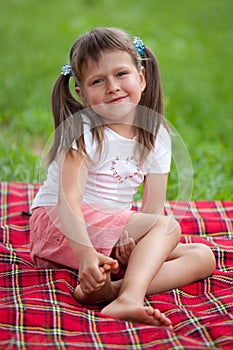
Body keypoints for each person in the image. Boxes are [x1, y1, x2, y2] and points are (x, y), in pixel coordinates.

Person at [30, 27, 216, 328]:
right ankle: (130, 297)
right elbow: (69, 203)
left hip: (111, 228)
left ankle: (107, 292)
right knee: (168, 227)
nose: (113, 87)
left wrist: (133, 238)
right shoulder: (84, 134)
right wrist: (88, 254)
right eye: (98, 81)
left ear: (141, 76)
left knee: (202, 255)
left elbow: (152, 209)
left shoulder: (156, 136)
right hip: (61, 226)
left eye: (121, 74)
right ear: (82, 93)